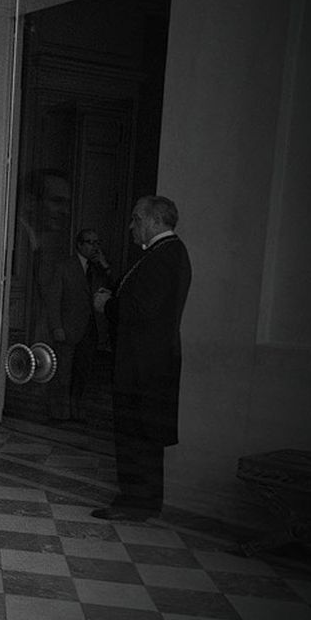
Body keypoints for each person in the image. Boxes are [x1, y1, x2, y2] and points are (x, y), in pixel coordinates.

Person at [92, 195, 191, 521]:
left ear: (154, 220)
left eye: (136, 219)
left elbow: (140, 311)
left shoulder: (164, 257)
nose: (132, 226)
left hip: (145, 366)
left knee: (138, 436)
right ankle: (141, 501)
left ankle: (135, 503)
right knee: (142, 435)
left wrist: (106, 306)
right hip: (147, 363)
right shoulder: (163, 254)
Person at [44, 228, 111, 423]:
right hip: (68, 328)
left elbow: (112, 288)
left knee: (83, 372)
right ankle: (59, 412)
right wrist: (57, 326)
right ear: (79, 245)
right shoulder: (65, 267)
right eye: (90, 242)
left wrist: (105, 266)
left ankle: (77, 408)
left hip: (91, 329)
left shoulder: (98, 269)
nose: (94, 247)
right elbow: (53, 299)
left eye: (97, 242)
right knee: (63, 372)